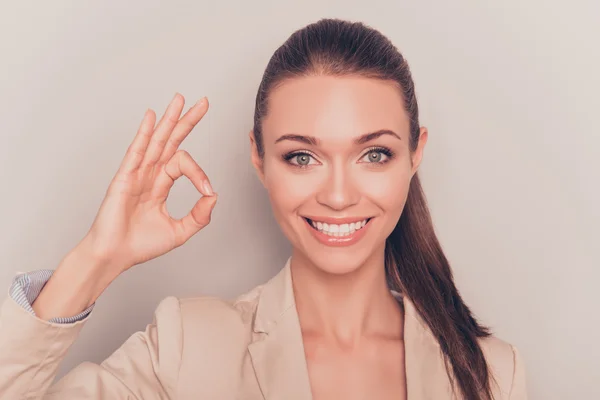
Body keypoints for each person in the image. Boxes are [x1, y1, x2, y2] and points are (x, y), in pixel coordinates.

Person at [0, 18, 527, 400]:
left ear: (415, 155)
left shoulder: (491, 374)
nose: (339, 195)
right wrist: (97, 258)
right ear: (258, 157)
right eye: (302, 156)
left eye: (375, 154)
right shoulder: (188, 347)